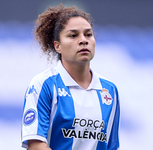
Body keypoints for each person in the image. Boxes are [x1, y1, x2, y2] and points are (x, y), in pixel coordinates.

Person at [21, 3, 120, 150]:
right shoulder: (44, 85)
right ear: (57, 46)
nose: (83, 40)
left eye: (88, 34)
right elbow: (35, 145)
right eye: (73, 35)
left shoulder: (109, 90)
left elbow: (111, 146)